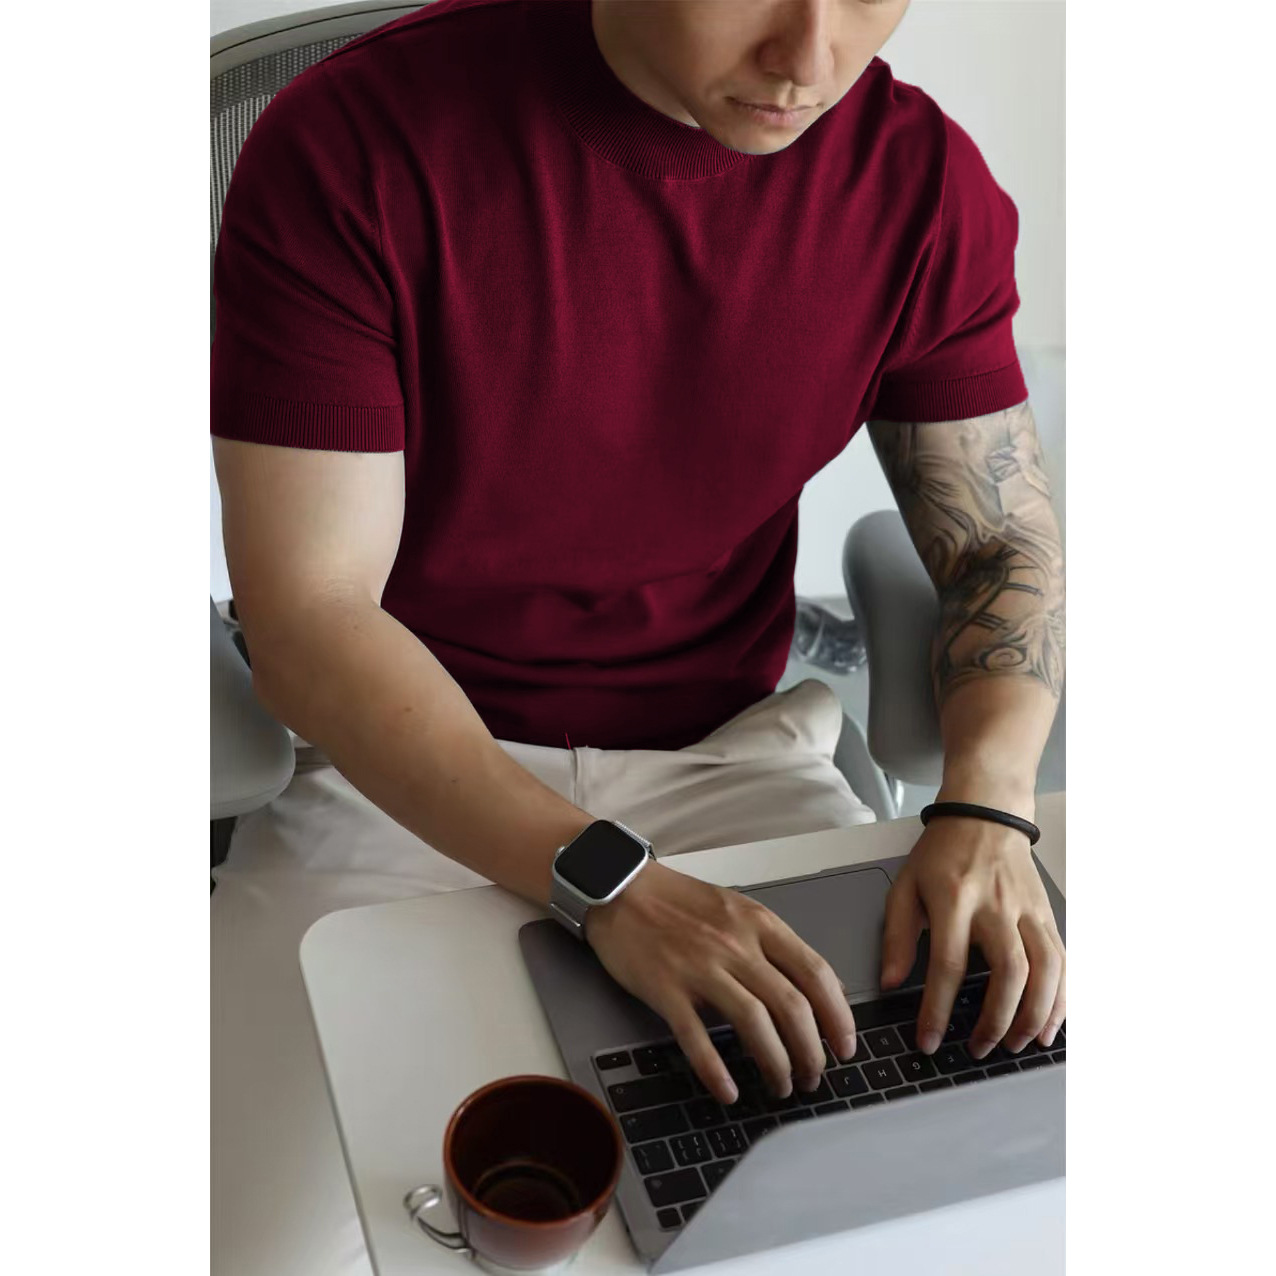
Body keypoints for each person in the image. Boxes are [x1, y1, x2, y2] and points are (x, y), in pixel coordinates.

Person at [210, 2, 1065, 1272]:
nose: (810, 57)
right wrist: (608, 882)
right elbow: (313, 616)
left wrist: (989, 807)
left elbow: (998, 543)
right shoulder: (356, 142)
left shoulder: (915, 183)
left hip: (728, 753)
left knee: (922, 1217)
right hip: (402, 771)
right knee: (247, 1246)